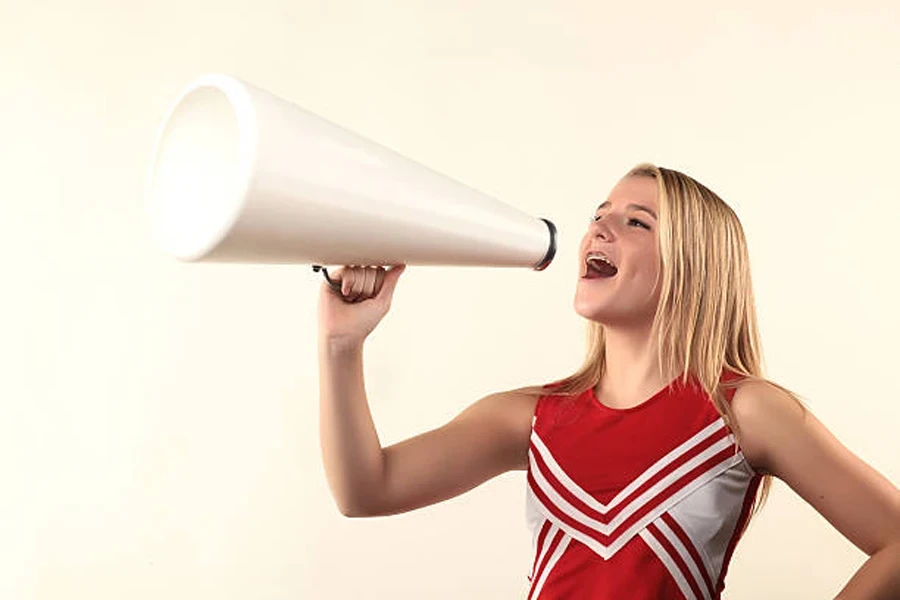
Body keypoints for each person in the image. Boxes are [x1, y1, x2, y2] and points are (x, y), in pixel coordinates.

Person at [316, 163, 900, 599]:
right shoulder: (530, 417)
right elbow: (367, 489)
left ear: (692, 263)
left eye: (635, 222)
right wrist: (342, 345)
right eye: (598, 215)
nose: (598, 228)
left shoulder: (743, 412)